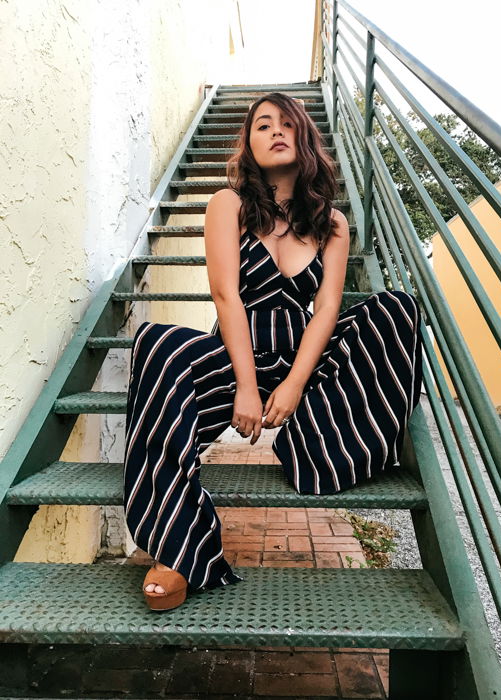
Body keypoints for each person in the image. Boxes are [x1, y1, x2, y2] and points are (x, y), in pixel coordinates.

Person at [123, 92, 423, 611]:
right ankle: (177, 546)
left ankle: (314, 450)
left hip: (302, 363)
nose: (276, 130)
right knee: (156, 343)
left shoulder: (331, 224)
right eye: (263, 125)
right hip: (239, 355)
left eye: (287, 123)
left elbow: (327, 309)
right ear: (249, 143)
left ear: (304, 137)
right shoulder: (228, 205)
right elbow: (225, 295)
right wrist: (246, 384)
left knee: (396, 308)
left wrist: (293, 385)